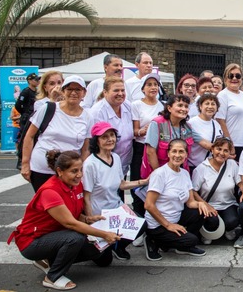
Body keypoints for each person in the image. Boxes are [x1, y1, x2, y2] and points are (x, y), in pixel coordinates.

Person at [9, 150, 120, 291]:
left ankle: (49, 261)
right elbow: (70, 223)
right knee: (75, 238)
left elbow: (72, 214)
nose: (79, 175)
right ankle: (52, 277)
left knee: (96, 250)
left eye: (80, 170)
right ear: (60, 171)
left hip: (54, 235)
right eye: (74, 171)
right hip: (32, 241)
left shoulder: (75, 184)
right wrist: (105, 234)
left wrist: (87, 218)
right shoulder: (50, 191)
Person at [82, 122, 149, 260]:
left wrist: (144, 181)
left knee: (141, 224)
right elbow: (86, 196)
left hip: (116, 209)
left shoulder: (116, 158)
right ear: (97, 141)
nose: (110, 139)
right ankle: (107, 247)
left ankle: (118, 247)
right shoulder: (90, 164)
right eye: (104, 137)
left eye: (112, 135)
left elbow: (122, 184)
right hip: (99, 214)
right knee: (104, 261)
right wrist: (90, 221)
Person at [21, 75, 92, 192]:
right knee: (46, 205)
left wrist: (80, 169)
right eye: (69, 89)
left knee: (65, 205)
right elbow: (29, 136)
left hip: (69, 172)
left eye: (78, 90)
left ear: (84, 93)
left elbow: (85, 147)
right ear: (63, 91)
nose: (73, 93)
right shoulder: (48, 108)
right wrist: (25, 164)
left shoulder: (88, 117)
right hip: (42, 170)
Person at [144, 139, 209, 261]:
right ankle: (152, 240)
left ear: (186, 154)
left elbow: (190, 203)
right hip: (158, 224)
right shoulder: (160, 174)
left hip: (176, 218)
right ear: (168, 153)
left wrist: (201, 203)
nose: (177, 155)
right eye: (174, 151)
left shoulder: (184, 173)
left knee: (200, 212)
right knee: (192, 240)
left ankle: (178, 244)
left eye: (181, 152)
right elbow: (148, 205)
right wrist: (168, 225)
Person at [192, 137, 243, 245]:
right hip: (209, 205)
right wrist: (205, 205)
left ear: (229, 153)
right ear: (212, 149)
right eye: (219, 149)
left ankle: (228, 229)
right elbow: (193, 191)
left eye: (226, 150)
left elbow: (239, 182)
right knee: (212, 223)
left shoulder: (232, 164)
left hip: (228, 204)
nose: (222, 153)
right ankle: (209, 231)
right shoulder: (201, 168)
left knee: (232, 221)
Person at [131, 74, 164, 216]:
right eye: (149, 84)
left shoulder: (163, 105)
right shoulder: (136, 105)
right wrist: (142, 131)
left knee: (156, 181)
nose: (153, 87)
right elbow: (134, 130)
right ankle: (138, 214)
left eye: (155, 85)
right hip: (141, 147)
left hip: (158, 148)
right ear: (143, 88)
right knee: (139, 181)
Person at [90, 77, 134, 177]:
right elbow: (95, 142)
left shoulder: (128, 106)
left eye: (122, 90)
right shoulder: (98, 112)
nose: (120, 93)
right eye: (116, 90)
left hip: (123, 164)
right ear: (105, 92)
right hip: (104, 166)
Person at [144, 94, 194, 174]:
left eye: (186, 106)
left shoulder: (188, 127)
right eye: (180, 105)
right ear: (169, 108)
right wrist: (160, 174)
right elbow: (150, 152)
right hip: (159, 172)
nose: (184, 109)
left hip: (180, 172)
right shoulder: (157, 123)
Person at [216, 63, 243, 160]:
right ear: (225, 78)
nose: (234, 78)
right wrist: (229, 144)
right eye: (230, 75)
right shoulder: (222, 95)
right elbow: (220, 121)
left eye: (238, 75)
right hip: (232, 144)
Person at [188, 93, 223, 169]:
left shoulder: (216, 124)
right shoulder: (191, 123)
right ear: (200, 106)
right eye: (207, 104)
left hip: (211, 167)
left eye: (213, 104)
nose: (210, 107)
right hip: (194, 166)